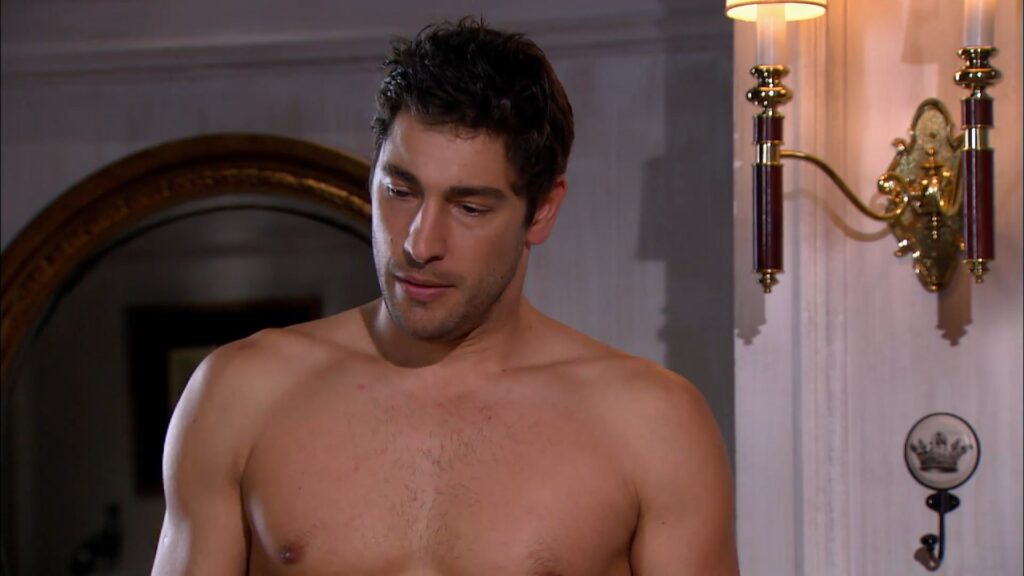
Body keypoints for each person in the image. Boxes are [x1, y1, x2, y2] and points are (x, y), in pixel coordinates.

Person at [152, 17, 738, 576]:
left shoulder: (651, 426)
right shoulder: (243, 394)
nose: (419, 243)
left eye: (469, 208)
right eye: (400, 191)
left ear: (542, 210)